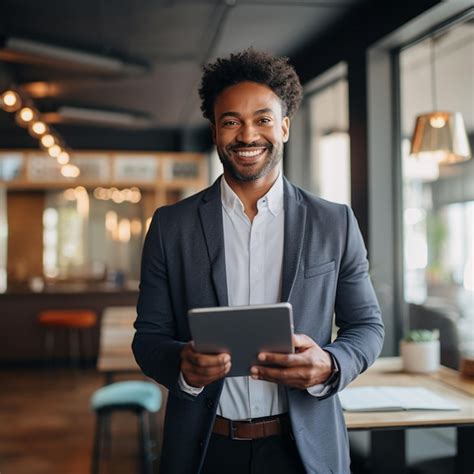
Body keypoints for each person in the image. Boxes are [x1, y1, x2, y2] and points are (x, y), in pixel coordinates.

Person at [133, 48, 384, 474]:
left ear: (284, 127)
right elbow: (148, 337)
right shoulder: (170, 226)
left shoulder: (334, 222)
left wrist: (330, 363)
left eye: (263, 119)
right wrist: (184, 366)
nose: (247, 135)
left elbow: (367, 327)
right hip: (205, 449)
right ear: (215, 131)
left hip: (304, 451)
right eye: (231, 121)